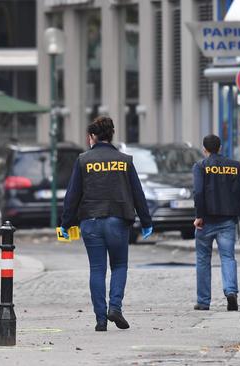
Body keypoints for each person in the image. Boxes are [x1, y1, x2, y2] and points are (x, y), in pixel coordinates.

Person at [60, 116, 153, 332]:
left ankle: (100, 320)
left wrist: (65, 224)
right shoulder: (125, 160)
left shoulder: (83, 160)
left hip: (90, 222)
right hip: (117, 221)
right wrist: (146, 222)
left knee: (97, 269)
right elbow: (137, 193)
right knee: (119, 265)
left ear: (92, 137)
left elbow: (72, 195)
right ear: (111, 135)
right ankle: (115, 307)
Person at [192, 134, 240, 311]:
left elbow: (198, 193)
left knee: (202, 260)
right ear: (220, 147)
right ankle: (231, 292)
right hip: (227, 220)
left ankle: (203, 301)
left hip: (206, 221)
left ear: (204, 149)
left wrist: (199, 216)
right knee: (228, 257)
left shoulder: (200, 166)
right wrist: (235, 214)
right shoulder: (234, 166)